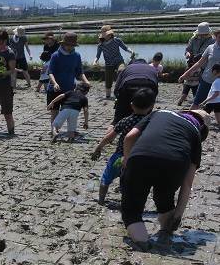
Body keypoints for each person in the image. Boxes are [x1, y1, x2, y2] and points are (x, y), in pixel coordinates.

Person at [120, 109, 210, 248]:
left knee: (131, 209)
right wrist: (178, 215)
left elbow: (130, 136)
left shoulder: (160, 113)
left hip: (141, 156)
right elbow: (187, 184)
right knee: (165, 199)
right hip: (174, 163)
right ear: (202, 128)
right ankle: (165, 232)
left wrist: (126, 160)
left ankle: (143, 242)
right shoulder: (195, 135)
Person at [90, 88, 155, 205]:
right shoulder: (150, 123)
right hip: (139, 159)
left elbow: (109, 137)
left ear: (131, 105)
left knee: (106, 178)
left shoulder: (125, 121)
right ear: (151, 107)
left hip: (120, 157)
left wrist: (98, 148)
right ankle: (129, 202)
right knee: (133, 182)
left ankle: (101, 200)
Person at [47, 32, 89, 130]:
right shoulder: (55, 55)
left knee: (69, 110)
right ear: (63, 44)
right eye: (67, 45)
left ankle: (71, 130)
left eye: (72, 45)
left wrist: (86, 81)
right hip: (55, 89)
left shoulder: (76, 56)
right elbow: (50, 72)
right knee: (55, 111)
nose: (69, 47)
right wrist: (55, 83)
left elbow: (80, 72)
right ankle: (54, 130)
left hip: (69, 88)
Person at [179, 26, 220, 111]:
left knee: (215, 108)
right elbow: (199, 63)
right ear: (216, 37)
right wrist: (185, 74)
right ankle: (189, 121)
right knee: (196, 102)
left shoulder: (210, 41)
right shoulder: (210, 48)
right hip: (207, 79)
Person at [113, 58, 158, 124]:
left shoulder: (127, 68)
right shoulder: (152, 68)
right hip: (149, 84)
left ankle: (114, 127)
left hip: (129, 83)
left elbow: (117, 87)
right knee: (146, 117)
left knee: (117, 119)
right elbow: (155, 88)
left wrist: (120, 100)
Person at [93, 26, 133, 100]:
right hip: (109, 64)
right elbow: (97, 56)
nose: (107, 36)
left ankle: (121, 91)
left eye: (108, 34)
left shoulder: (117, 40)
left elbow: (125, 48)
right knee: (108, 80)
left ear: (111, 34)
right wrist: (95, 61)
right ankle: (108, 96)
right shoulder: (101, 45)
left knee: (121, 71)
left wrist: (131, 51)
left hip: (119, 61)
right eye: (106, 35)